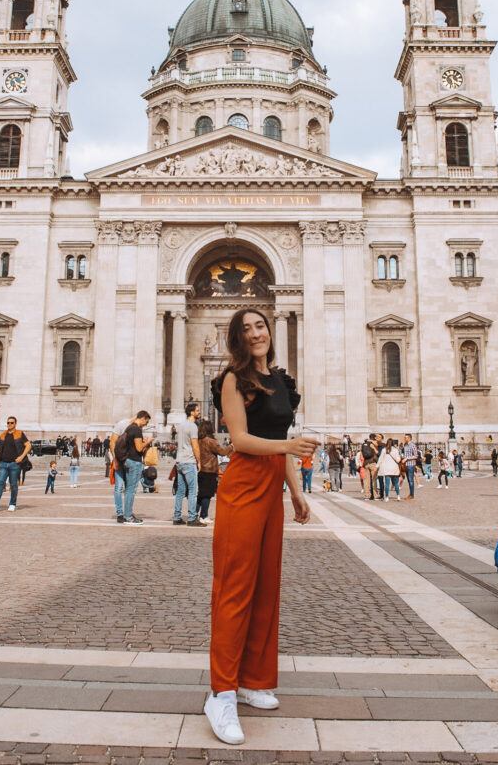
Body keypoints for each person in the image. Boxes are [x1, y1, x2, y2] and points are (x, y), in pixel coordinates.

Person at [206, 307, 317, 746]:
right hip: (244, 485)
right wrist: (289, 446)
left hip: (272, 487)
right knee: (235, 586)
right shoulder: (234, 380)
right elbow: (242, 440)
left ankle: (253, 679)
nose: (256, 333)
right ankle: (221, 694)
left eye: (260, 326)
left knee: (266, 586)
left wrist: (295, 490)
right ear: (237, 338)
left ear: (270, 330)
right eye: (246, 329)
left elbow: (280, 442)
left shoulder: (280, 382)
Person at [115, 410, 152, 525]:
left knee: (128, 490)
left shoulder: (129, 428)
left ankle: (127, 514)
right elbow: (139, 448)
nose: (145, 425)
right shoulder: (136, 430)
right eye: (146, 422)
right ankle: (128, 516)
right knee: (131, 490)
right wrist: (147, 442)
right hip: (134, 462)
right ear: (143, 418)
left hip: (127, 461)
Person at [0, 416, 30, 512]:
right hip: (3, 463)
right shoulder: (3, 435)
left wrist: (21, 457)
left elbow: (28, 445)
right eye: (8, 423)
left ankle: (12, 504)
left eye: (11, 422)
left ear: (15, 424)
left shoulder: (20, 433)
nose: (9, 424)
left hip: (14, 463)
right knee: (0, 484)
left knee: (13, 485)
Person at [173, 402, 204, 525]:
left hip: (179, 461)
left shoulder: (181, 425)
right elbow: (195, 445)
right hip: (189, 461)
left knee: (180, 491)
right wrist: (199, 461)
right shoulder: (193, 426)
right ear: (192, 412)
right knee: (193, 490)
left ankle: (177, 517)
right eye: (197, 410)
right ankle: (191, 517)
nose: (199, 412)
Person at [197, 419, 231, 523]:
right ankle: (204, 515)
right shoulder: (211, 441)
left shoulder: (199, 440)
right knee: (207, 494)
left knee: (201, 494)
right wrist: (231, 446)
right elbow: (222, 452)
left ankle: (194, 513)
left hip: (201, 469)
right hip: (210, 470)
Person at [402, 433, 418, 500]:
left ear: (409, 438)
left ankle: (412, 495)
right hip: (406, 465)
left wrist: (407, 458)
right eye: (405, 437)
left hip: (411, 465)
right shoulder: (405, 445)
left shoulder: (412, 445)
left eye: (406, 438)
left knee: (411, 480)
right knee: (408, 480)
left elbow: (416, 456)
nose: (405, 439)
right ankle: (410, 494)